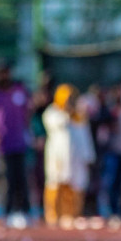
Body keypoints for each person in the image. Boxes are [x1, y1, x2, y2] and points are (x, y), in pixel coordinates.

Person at [0, 62, 33, 229]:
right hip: (2, 145)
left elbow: (28, 111)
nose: (4, 76)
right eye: (0, 73)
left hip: (19, 143)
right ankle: (6, 214)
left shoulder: (19, 91)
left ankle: (24, 212)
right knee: (6, 180)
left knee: (21, 179)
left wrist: (26, 130)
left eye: (5, 72)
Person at [43, 84, 94, 228]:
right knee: (55, 184)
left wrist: (88, 156)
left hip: (76, 158)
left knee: (75, 186)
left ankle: (71, 214)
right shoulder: (52, 113)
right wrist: (68, 112)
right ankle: (53, 215)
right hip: (57, 157)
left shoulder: (79, 116)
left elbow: (85, 136)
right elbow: (59, 123)